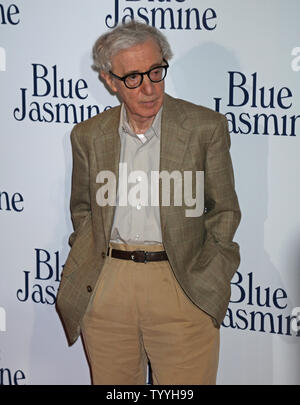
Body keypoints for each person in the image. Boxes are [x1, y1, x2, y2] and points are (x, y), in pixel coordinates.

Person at [56, 20, 241, 385]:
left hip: (182, 283)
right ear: (110, 81)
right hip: (108, 287)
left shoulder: (205, 127)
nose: (149, 88)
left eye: (156, 72)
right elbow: (83, 210)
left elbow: (224, 210)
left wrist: (210, 276)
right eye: (133, 78)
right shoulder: (88, 136)